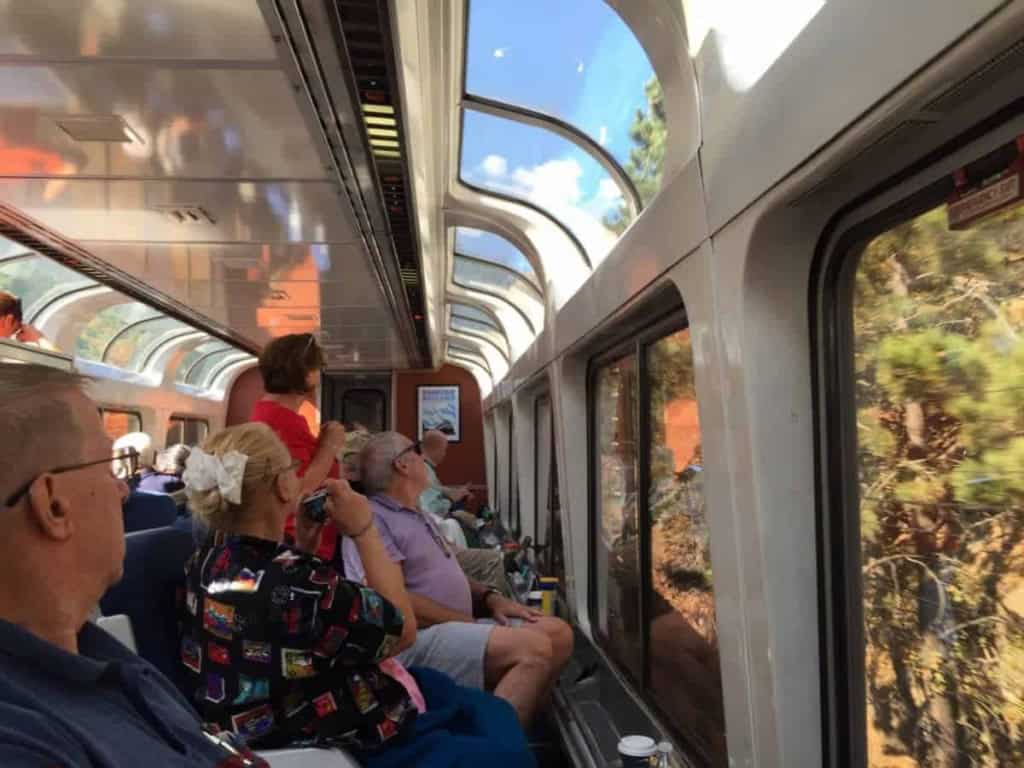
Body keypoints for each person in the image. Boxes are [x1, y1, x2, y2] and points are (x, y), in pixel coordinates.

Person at [181, 423, 535, 767]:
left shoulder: (204, 563)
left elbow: (277, 615)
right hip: (336, 730)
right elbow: (402, 630)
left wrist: (304, 546)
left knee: (454, 697)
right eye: (292, 469)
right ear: (283, 487)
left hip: (255, 720)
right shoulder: (302, 582)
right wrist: (364, 530)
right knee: (499, 736)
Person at [0, 363, 270, 767]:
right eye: (109, 466)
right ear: (53, 505)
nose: (123, 490)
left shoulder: (94, 651)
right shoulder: (21, 743)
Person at [343, 432, 574, 726]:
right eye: (417, 450)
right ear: (402, 464)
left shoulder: (416, 514)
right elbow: (393, 599)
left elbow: (446, 572)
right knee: (533, 649)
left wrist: (491, 598)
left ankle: (513, 724)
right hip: (417, 639)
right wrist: (466, 622)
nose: (423, 458)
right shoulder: (374, 520)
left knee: (558, 634)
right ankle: (492, 742)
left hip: (453, 625)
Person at [251, 333, 346, 561]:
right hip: (299, 542)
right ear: (307, 374)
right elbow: (297, 494)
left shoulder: (272, 414)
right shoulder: (282, 421)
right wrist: (329, 446)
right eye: (317, 368)